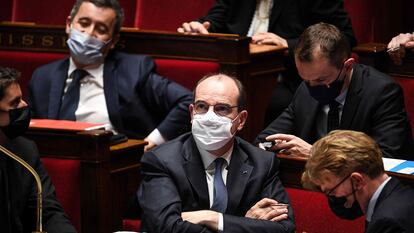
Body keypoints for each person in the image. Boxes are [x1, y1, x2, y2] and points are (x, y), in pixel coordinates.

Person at [138, 74, 295, 233]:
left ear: (241, 120)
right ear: (192, 113)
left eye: (222, 108)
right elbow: (167, 227)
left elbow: (284, 228)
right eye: (202, 106)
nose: (209, 117)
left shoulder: (262, 163)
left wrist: (213, 218)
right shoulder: (161, 160)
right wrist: (242, 223)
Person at [29, 0, 192, 152]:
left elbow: (187, 101)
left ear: (113, 41)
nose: (89, 33)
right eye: (84, 24)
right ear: (68, 24)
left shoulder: (133, 70)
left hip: (114, 165)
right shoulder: (43, 77)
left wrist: (151, 142)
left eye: (101, 29)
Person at [178, 0, 356, 126]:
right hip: (235, 72)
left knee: (265, 102)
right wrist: (199, 26)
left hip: (287, 78)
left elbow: (345, 38)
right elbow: (217, 19)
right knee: (197, 99)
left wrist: (289, 45)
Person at [255, 22, 414, 160]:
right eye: (305, 79)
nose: (312, 86)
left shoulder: (382, 92)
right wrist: (271, 146)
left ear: (347, 66)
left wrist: (316, 154)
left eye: (321, 80)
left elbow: (386, 157)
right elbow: (263, 141)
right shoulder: (306, 88)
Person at [0, 67, 76, 233]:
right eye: (14, 103)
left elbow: (47, 211)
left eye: (21, 99)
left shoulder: (24, 151)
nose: (24, 106)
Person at [302, 130, 414, 233]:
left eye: (331, 192)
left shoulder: (389, 222)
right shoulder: (403, 194)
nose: (334, 198)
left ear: (357, 181)